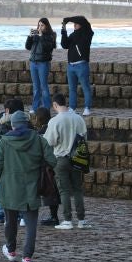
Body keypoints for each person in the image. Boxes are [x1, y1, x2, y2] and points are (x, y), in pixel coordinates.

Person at [0, 111, 56, 262]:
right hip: (31, 188)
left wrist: (1, 179)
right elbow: (52, 160)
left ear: (12, 124)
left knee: (10, 223)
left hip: (10, 187)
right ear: (26, 123)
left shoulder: (4, 141)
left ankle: (11, 250)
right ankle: (27, 257)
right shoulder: (39, 140)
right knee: (31, 225)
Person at [43, 93, 90, 230]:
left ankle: (67, 220)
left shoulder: (55, 121)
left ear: (55, 105)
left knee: (64, 190)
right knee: (77, 189)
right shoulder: (79, 118)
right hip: (77, 159)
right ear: (66, 103)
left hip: (61, 159)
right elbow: (84, 138)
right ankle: (82, 220)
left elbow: (49, 142)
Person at [0, 98, 25, 223]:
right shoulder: (25, 123)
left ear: (7, 110)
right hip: (19, 161)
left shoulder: (0, 123)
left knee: (0, 185)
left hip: (2, 159)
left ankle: (0, 212)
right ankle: (17, 212)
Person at [32, 107, 60, 226]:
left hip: (46, 165)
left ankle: (53, 217)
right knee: (52, 191)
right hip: (55, 161)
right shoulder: (52, 127)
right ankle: (53, 215)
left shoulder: (41, 133)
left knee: (49, 191)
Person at [61, 15, 94, 115]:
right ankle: (72, 108)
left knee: (85, 87)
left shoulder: (87, 34)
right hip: (71, 66)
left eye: (76, 24)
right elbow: (64, 45)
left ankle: (87, 108)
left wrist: (69, 19)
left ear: (82, 25)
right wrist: (64, 31)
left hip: (81, 65)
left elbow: (82, 20)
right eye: (73, 24)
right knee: (72, 89)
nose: (74, 25)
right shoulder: (72, 35)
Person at [25, 18, 56, 112]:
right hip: (33, 63)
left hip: (43, 63)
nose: (39, 27)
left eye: (42, 25)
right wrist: (30, 37)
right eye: (39, 25)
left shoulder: (51, 35)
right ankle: (35, 107)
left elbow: (48, 47)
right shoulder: (35, 35)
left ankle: (46, 108)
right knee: (36, 87)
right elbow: (27, 47)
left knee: (44, 87)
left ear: (46, 25)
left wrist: (41, 36)